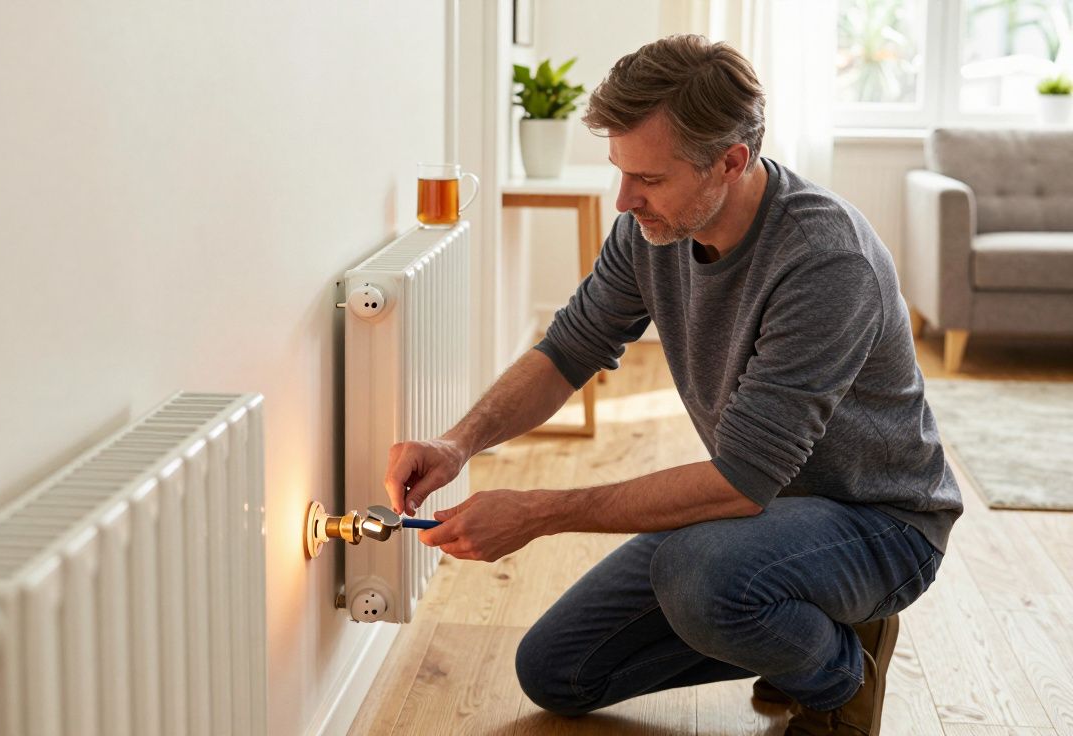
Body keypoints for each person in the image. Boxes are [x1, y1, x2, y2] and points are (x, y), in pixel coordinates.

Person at [382, 34, 962, 736]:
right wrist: (457, 444)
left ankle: (840, 672)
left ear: (731, 161)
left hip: (879, 522)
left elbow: (741, 481)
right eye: (620, 172)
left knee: (700, 576)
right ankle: (786, 616)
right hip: (754, 518)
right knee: (556, 670)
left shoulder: (824, 262)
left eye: (649, 180)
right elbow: (569, 350)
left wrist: (536, 511)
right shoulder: (650, 231)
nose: (624, 200)